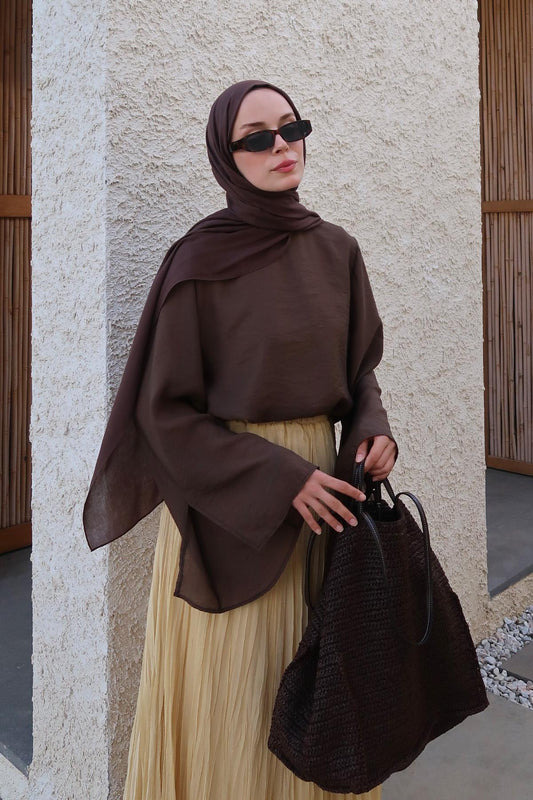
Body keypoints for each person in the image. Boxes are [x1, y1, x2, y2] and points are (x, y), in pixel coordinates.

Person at [83, 80, 397, 800]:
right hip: (236, 509)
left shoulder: (337, 250)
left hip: (327, 504)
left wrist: (371, 431)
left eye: (292, 128)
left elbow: (359, 374)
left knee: (324, 691)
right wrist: (280, 479)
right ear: (227, 156)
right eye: (256, 137)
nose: (281, 146)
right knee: (241, 697)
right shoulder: (198, 263)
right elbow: (164, 414)